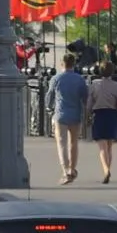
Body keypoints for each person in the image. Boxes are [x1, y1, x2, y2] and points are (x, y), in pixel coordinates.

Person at [48, 52, 89, 184]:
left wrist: (49, 108)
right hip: (75, 114)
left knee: (61, 143)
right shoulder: (79, 79)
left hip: (60, 114)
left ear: (62, 64)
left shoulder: (56, 78)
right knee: (73, 143)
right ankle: (72, 169)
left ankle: (65, 171)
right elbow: (85, 98)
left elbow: (50, 96)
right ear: (74, 64)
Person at [85, 62, 117, 183]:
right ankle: (108, 169)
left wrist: (87, 117)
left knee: (102, 147)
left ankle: (106, 170)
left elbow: (88, 105)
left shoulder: (94, 85)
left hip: (99, 115)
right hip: (112, 115)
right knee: (109, 147)